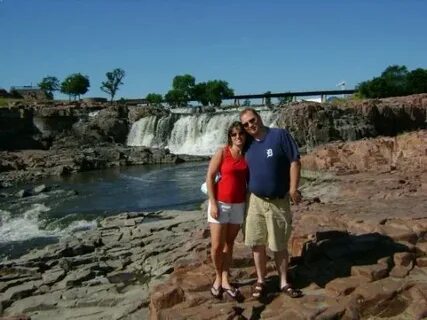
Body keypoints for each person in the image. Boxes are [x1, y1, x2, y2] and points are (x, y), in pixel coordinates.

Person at [239, 108, 303, 299]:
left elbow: (295, 161)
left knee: (279, 245)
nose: (251, 125)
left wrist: (293, 188)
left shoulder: (279, 135)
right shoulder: (247, 143)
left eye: (252, 120)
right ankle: (261, 280)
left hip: (278, 201)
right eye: (246, 124)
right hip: (255, 201)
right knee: (256, 243)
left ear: (259, 117)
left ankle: (284, 282)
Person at [205, 121, 249, 299]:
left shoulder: (247, 154)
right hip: (220, 204)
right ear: (230, 137)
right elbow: (209, 176)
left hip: (238, 205)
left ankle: (225, 277)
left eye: (241, 134)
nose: (238, 137)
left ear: (245, 136)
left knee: (229, 244)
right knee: (217, 246)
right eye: (234, 134)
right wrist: (213, 203)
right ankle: (217, 276)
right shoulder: (222, 152)